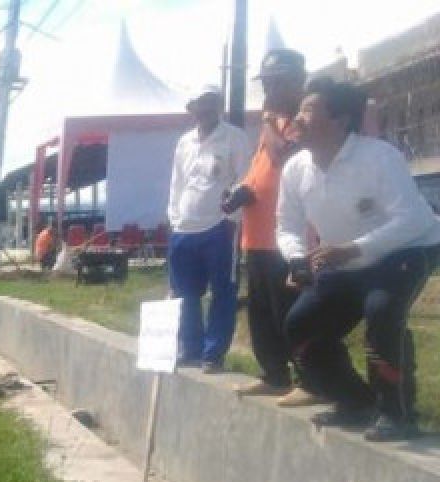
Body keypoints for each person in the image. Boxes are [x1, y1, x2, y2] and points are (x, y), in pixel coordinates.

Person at [279, 78, 440, 441]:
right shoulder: (296, 169)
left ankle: (397, 413)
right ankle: (354, 402)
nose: (298, 118)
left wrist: (351, 249)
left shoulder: (380, 157)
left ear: (340, 121)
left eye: (308, 111)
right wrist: (296, 261)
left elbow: (413, 220)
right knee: (300, 325)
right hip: (344, 259)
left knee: (382, 310)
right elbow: (286, 224)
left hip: (407, 249)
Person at [225, 50, 322, 408]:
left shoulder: (304, 120)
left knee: (291, 311)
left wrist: (267, 118)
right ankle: (274, 374)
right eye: (266, 83)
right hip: (258, 235)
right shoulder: (274, 126)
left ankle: (309, 379)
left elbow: (282, 155)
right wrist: (242, 191)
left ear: (296, 81)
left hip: (290, 237)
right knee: (262, 312)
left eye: (274, 82)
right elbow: (262, 170)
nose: (269, 90)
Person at [166, 84, 252, 372]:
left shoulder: (234, 138)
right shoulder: (184, 142)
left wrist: (233, 221)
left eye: (210, 103)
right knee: (184, 293)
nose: (204, 110)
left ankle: (212, 353)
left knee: (222, 292)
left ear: (219, 105)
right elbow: (177, 184)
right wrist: (174, 218)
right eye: (198, 104)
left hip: (218, 227)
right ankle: (189, 347)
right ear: (191, 109)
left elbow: (245, 180)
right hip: (184, 229)